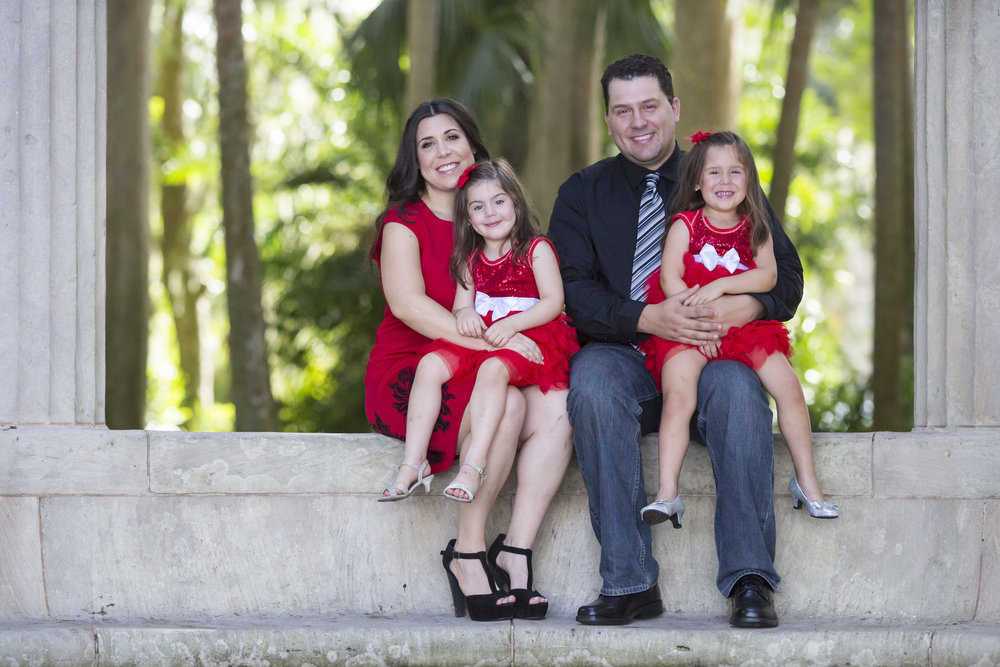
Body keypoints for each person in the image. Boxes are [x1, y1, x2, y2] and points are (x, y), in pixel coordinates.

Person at [547, 54, 803, 629]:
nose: (638, 121)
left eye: (649, 106)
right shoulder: (582, 193)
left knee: (740, 392)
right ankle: (630, 581)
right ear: (609, 120)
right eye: (623, 110)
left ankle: (750, 580)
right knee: (590, 385)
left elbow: (786, 276)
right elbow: (569, 289)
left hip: (712, 352)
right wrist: (648, 318)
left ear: (674, 108)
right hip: (625, 356)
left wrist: (741, 306)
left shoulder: (721, 173)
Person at [365, 99, 572, 622]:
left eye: (452, 137)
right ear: (416, 160)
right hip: (416, 367)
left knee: (560, 406)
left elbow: (532, 295)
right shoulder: (402, 222)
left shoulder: (489, 211)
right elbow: (408, 306)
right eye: (427, 144)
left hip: (488, 356)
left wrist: (506, 344)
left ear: (472, 144)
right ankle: (468, 552)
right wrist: (495, 347)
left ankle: (516, 550)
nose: (443, 152)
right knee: (507, 404)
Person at [637, 130, 837, 531]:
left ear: (749, 181)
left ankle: (807, 482)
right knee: (679, 397)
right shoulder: (685, 225)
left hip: (745, 329)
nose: (725, 181)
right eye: (714, 172)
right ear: (696, 181)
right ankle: (667, 493)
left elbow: (768, 276)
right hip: (691, 330)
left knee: (789, 390)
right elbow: (669, 278)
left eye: (736, 172)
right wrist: (698, 314)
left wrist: (723, 285)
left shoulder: (754, 226)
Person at [380, 158, 578, 508]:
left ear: (515, 203)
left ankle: (473, 464)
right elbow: (461, 306)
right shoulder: (469, 258)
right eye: (478, 206)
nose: (490, 212)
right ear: (468, 218)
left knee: (491, 370)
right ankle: (413, 462)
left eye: (499, 201)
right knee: (429, 365)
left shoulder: (536, 249)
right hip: (486, 338)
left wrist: (513, 324)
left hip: (528, 335)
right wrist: (467, 313)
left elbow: (553, 302)